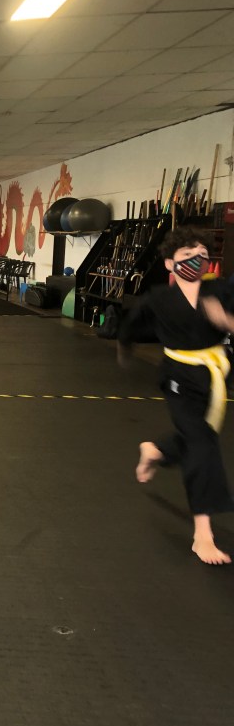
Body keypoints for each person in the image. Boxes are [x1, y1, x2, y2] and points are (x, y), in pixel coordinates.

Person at [118, 227, 234, 565]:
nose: (196, 259)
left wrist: (226, 320)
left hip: (214, 375)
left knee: (198, 435)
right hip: (179, 378)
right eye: (187, 255)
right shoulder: (158, 298)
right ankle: (203, 534)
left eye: (202, 254)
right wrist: (124, 347)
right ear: (170, 263)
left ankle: (156, 449)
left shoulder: (220, 290)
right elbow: (129, 327)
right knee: (202, 443)